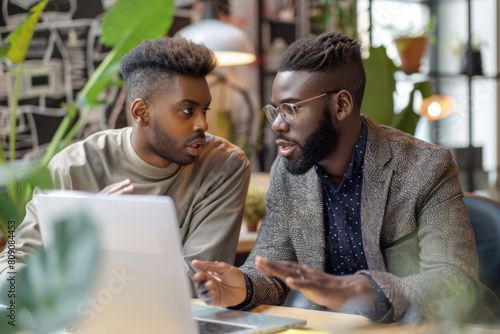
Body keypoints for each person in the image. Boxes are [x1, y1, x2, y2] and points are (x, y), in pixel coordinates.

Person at [192, 32, 499, 323]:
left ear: (341, 105)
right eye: (275, 110)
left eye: (291, 109)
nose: (277, 125)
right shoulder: (288, 173)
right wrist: (243, 285)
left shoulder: (426, 167)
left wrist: (360, 291)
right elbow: (271, 266)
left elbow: (455, 282)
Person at [0, 36, 251, 293]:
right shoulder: (72, 168)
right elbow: (10, 272)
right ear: (141, 112)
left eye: (205, 110)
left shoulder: (224, 166)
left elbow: (198, 282)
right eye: (188, 111)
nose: (203, 125)